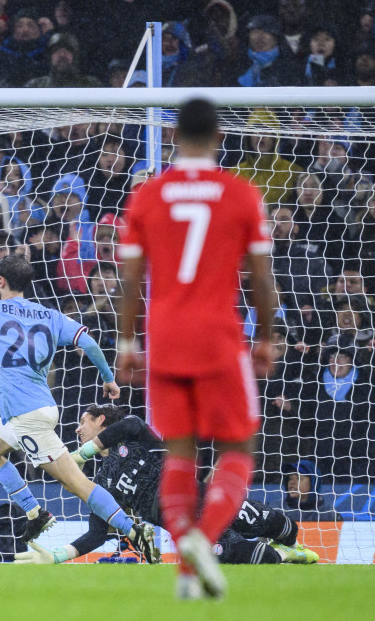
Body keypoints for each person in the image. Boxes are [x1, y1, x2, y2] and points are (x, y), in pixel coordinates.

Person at [116, 97, 277, 600]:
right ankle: (205, 542)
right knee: (237, 448)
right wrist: (268, 336)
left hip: (165, 340)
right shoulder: (241, 194)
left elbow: (130, 280)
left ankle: (187, 567)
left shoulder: (148, 196)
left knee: (179, 452)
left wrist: (126, 341)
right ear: (220, 136)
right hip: (218, 337)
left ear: (173, 136)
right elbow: (261, 278)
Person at [0, 255, 158, 560]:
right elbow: (90, 343)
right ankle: (34, 513)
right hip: (32, 409)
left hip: (26, 415)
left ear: (0, 281)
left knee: (76, 483)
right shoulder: (50, 315)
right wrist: (108, 379)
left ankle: (135, 532)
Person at [16, 404, 318, 566]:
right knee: (237, 556)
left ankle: (293, 544)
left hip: (207, 500)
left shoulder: (135, 438)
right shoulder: (99, 483)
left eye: (83, 421)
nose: (77, 428)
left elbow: (132, 421)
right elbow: (98, 532)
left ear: (101, 420)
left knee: (280, 524)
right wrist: (57, 556)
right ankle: (285, 555)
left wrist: (82, 453)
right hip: (186, 530)